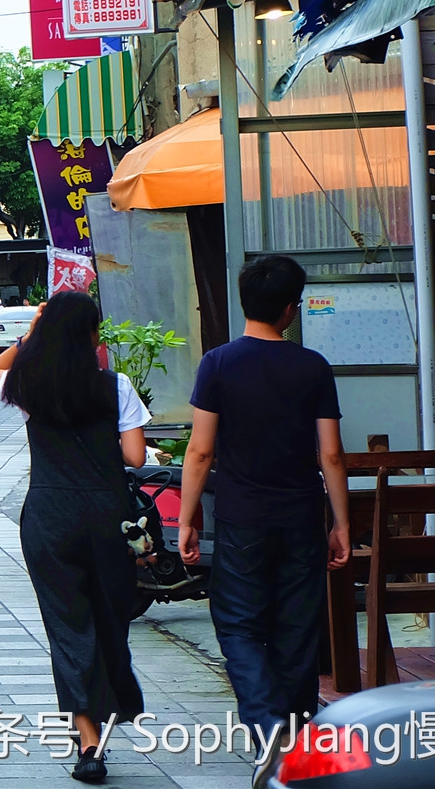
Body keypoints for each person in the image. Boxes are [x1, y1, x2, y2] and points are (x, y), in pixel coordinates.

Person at [179, 254, 348, 744]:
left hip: (242, 517)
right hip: (301, 516)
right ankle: (293, 738)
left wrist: (187, 518)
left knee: (238, 626)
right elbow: (331, 455)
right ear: (290, 309)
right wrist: (341, 523)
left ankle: (268, 728)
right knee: (297, 630)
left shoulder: (218, 364)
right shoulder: (313, 367)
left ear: (244, 302)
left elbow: (200, 450)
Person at [0, 293, 149, 784]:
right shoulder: (115, 385)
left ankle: (88, 743)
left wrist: (31, 333)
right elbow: (136, 458)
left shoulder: (30, 384)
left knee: (68, 626)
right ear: (94, 336)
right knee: (110, 621)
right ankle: (112, 707)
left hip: (49, 516)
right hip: (107, 516)